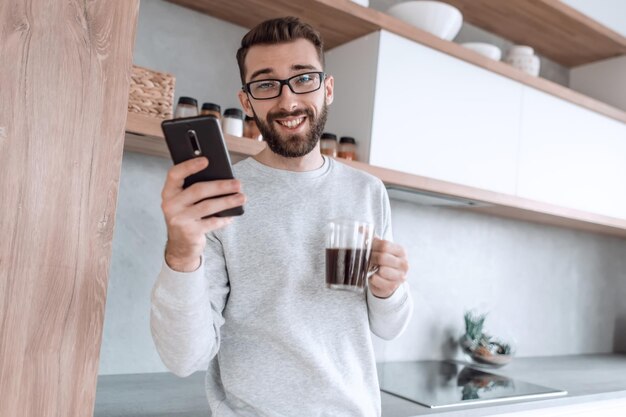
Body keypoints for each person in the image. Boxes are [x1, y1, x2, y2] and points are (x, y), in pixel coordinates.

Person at [151, 16, 413, 417]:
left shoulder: (366, 191)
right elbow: (184, 357)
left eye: (303, 78)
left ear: (327, 88)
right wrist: (182, 255)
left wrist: (387, 289)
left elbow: (388, 328)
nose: (288, 101)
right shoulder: (222, 196)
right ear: (247, 101)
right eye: (266, 84)